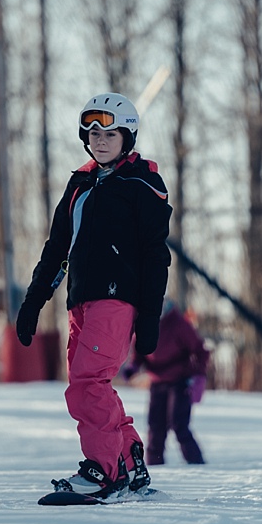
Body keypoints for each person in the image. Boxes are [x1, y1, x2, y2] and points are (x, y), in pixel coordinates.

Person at [16, 92, 172, 500]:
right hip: (80, 300)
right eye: (92, 132)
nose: (99, 139)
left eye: (109, 132)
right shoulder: (80, 184)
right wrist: (33, 302)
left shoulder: (142, 184)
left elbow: (157, 255)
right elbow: (56, 248)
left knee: (88, 382)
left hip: (117, 298)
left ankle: (104, 471)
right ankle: (129, 456)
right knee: (88, 382)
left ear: (128, 136)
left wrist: (151, 316)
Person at [128, 299, 210, 466]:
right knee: (155, 427)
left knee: (179, 424)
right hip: (157, 382)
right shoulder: (144, 324)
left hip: (179, 382)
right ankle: (155, 467)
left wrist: (199, 376)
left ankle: (197, 464)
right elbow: (139, 352)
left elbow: (200, 350)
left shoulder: (179, 325)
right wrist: (133, 367)